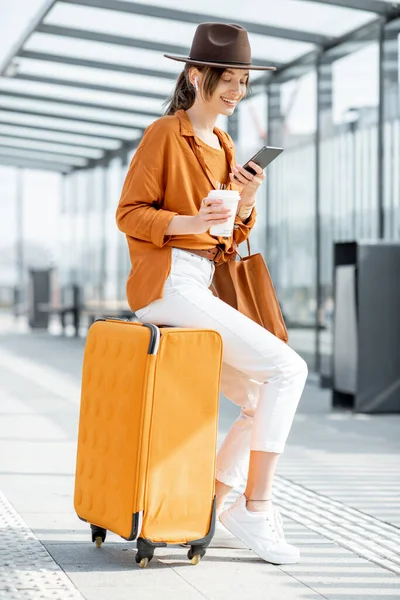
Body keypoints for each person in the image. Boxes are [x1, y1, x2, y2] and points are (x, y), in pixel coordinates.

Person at [116, 22, 308, 565]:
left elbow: (226, 239)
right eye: (228, 79)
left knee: (257, 397)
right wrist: (188, 219)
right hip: (166, 283)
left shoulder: (224, 146)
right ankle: (256, 507)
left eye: (244, 82)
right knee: (289, 371)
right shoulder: (163, 134)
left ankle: (209, 508)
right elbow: (129, 214)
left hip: (200, 282)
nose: (236, 91)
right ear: (197, 75)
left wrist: (243, 203)